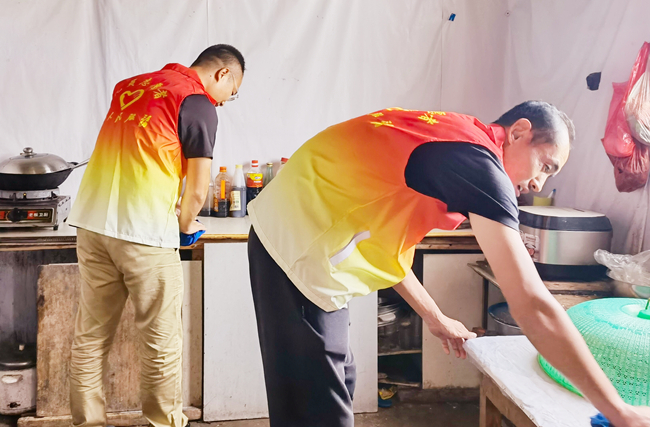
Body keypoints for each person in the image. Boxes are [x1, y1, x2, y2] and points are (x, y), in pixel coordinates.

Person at [247, 102, 650, 427]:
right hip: (297, 251)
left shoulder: (455, 137)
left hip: (295, 234)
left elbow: (387, 247)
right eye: (545, 166)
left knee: (336, 381)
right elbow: (532, 303)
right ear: (518, 132)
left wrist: (435, 317)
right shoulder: (478, 165)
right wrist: (618, 410)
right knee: (315, 409)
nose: (538, 184)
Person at [67, 44, 245, 427]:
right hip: (144, 231)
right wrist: (185, 228)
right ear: (223, 74)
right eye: (230, 94)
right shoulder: (196, 102)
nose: (222, 102)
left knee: (91, 335)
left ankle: (87, 422)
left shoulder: (129, 85)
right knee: (161, 341)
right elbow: (197, 190)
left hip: (93, 223)